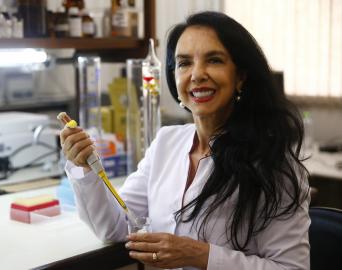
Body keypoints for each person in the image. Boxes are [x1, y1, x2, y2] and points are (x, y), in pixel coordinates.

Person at [60, 11, 310, 270]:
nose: (197, 74)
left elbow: (292, 267)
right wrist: (85, 167)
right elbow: (116, 226)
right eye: (184, 63)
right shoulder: (167, 143)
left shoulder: (272, 162)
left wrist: (200, 255)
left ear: (240, 76)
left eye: (214, 60)